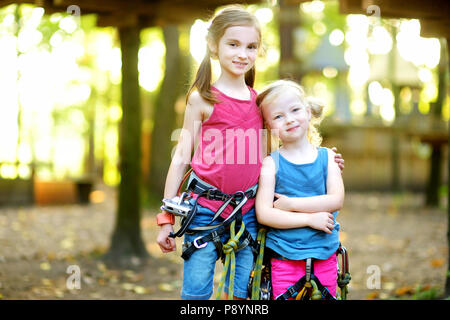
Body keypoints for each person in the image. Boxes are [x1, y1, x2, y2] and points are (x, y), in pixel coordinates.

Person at [156, 6, 344, 300]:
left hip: (247, 214)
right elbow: (181, 157)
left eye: (251, 46)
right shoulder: (202, 99)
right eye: (233, 44)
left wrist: (323, 160)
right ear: (214, 46)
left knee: (243, 295)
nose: (242, 53)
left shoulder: (261, 104)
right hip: (204, 211)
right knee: (195, 294)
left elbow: (283, 151)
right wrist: (166, 218)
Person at [255, 79, 345, 299]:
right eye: (278, 116)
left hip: (324, 253)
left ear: (307, 111)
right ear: (269, 126)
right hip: (284, 256)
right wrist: (309, 219)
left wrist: (291, 205)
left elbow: (336, 200)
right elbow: (264, 213)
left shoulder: (328, 158)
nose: (289, 119)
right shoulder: (271, 164)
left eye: (295, 110)